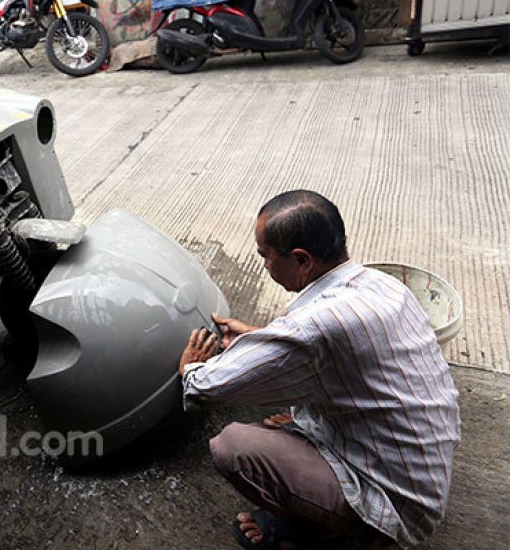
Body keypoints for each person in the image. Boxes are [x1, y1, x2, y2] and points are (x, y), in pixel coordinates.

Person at [178, 190, 460, 549]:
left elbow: (207, 388)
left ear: (301, 260)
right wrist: (258, 337)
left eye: (265, 257)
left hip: (393, 504)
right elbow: (335, 351)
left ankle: (336, 534)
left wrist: (192, 367)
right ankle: (323, 491)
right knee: (289, 417)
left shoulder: (314, 327)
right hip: (422, 474)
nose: (264, 267)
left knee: (234, 446)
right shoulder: (383, 286)